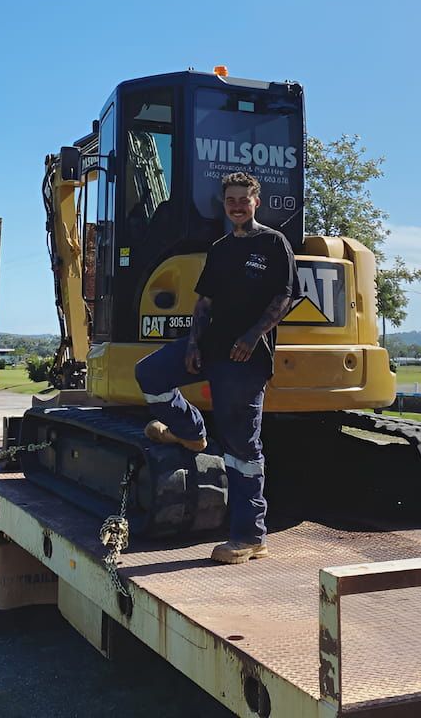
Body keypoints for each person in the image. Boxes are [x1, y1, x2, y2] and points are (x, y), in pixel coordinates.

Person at [134, 171, 298, 564]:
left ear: (256, 201)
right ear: (224, 205)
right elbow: (204, 302)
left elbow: (284, 297)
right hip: (210, 346)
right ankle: (191, 432)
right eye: (231, 201)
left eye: (244, 199)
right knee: (150, 374)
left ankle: (249, 535)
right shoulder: (221, 247)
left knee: (242, 447)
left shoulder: (274, 244)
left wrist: (253, 336)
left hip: (245, 358)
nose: (237, 206)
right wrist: (192, 344)